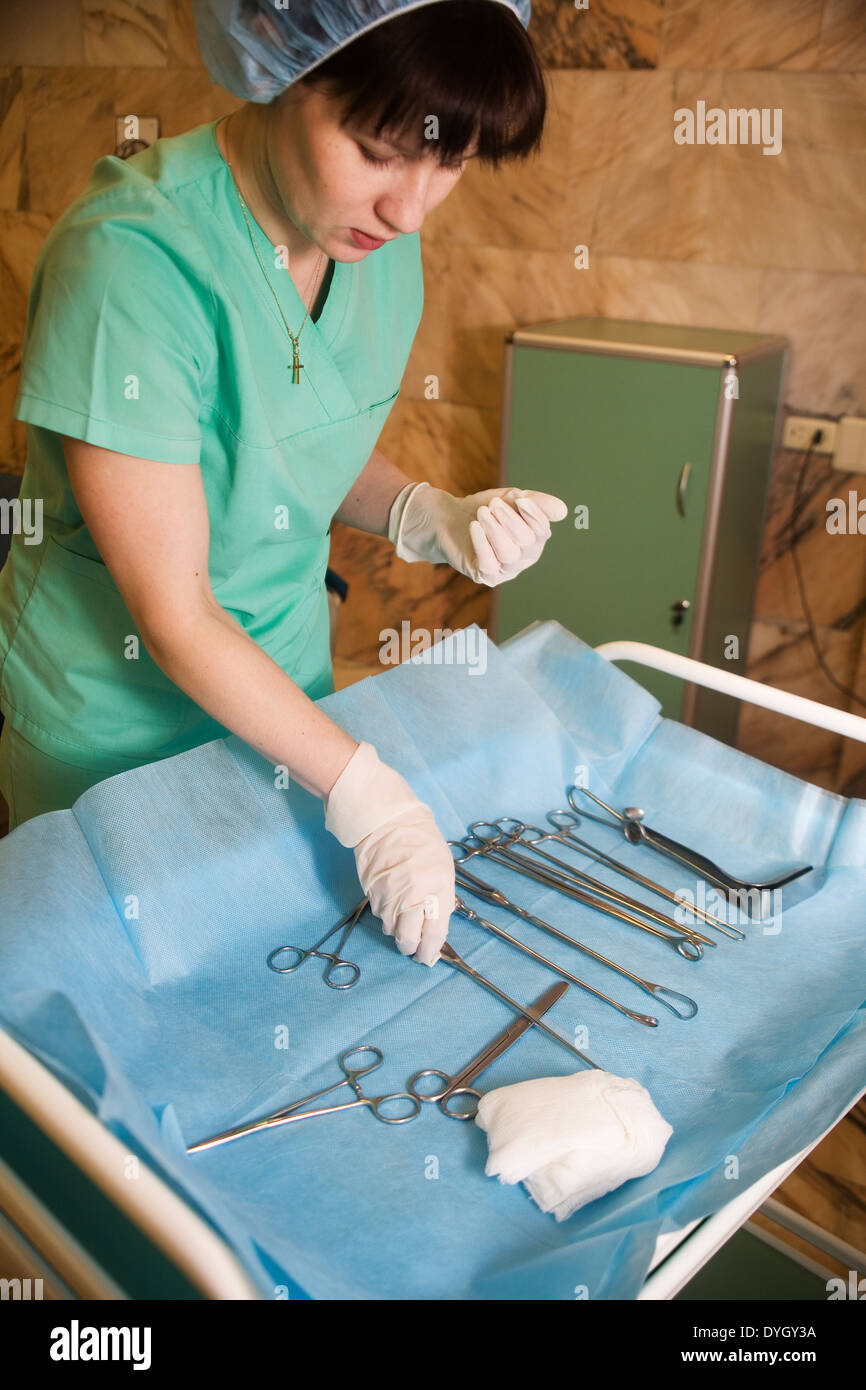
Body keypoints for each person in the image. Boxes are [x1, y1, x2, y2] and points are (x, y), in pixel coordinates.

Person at [0, 0, 567, 964]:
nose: (413, 206)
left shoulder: (372, 239)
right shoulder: (135, 260)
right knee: (99, 1040)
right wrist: (372, 798)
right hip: (115, 730)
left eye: (453, 159)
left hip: (289, 711)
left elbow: (294, 445)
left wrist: (422, 513)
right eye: (382, 149)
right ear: (281, 61)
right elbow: (174, 615)